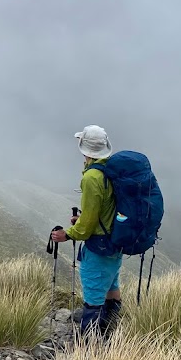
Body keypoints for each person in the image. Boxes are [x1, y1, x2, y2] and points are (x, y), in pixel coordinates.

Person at [50, 125, 122, 337]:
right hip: (115, 240)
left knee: (93, 290)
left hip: (99, 244)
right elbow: (105, 209)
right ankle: (111, 328)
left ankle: (89, 343)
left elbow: (88, 223)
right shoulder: (111, 169)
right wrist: (83, 219)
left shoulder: (92, 178)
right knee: (111, 283)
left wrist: (68, 233)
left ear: (84, 148)